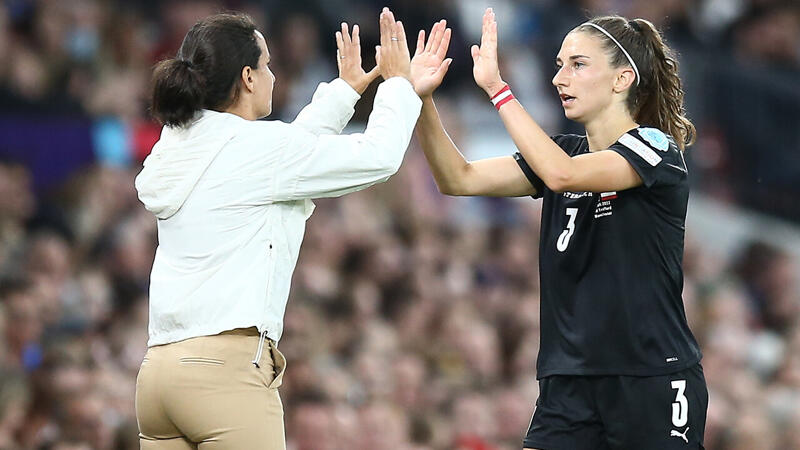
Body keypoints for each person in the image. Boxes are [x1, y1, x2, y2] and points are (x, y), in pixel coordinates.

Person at [411, 9, 708, 450]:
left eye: (578, 64)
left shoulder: (655, 148)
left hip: (651, 378)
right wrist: (423, 100)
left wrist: (497, 88)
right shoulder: (561, 153)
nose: (559, 78)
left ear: (622, 78)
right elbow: (459, 178)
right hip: (567, 383)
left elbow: (563, 176)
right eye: (558, 65)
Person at [134, 9, 421, 449]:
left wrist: (343, 92)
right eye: (266, 65)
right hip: (225, 378)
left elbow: (282, 157)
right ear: (247, 77)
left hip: (158, 376)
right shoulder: (256, 150)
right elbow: (378, 156)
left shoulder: (174, 146)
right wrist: (399, 83)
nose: (272, 75)